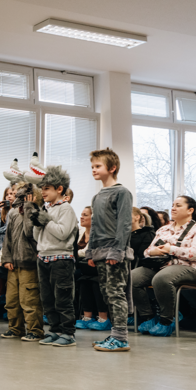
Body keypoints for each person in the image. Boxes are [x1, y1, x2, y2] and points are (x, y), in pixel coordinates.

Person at [24, 166, 79, 347]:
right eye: (42, 188)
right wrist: (37, 223)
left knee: (62, 297)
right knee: (47, 299)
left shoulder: (66, 209)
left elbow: (62, 233)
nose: (43, 192)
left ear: (59, 189)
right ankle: (55, 330)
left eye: (47, 188)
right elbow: (36, 236)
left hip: (61, 259)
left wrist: (46, 221)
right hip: (43, 257)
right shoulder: (45, 208)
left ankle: (68, 333)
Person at [86, 149, 134, 352]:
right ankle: (115, 334)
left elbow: (124, 224)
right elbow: (95, 226)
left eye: (98, 166)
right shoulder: (97, 197)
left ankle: (121, 338)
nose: (93, 170)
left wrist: (117, 251)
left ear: (112, 168)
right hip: (100, 253)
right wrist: (90, 251)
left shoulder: (122, 193)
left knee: (116, 294)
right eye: (92, 167)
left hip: (115, 253)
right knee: (107, 294)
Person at [133, 196, 196, 337]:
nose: (173, 208)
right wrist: (153, 252)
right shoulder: (163, 229)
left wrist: (170, 249)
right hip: (160, 265)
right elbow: (147, 251)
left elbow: (194, 253)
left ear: (190, 210)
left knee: (162, 278)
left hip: (188, 267)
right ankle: (148, 317)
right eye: (173, 205)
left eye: (178, 205)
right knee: (133, 277)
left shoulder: (194, 228)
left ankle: (167, 319)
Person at [0, 182, 43, 341]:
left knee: (29, 300)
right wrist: (6, 258)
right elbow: (8, 238)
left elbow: (30, 233)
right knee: (11, 300)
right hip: (13, 264)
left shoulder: (37, 212)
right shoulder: (12, 213)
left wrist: (29, 209)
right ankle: (15, 328)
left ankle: (35, 330)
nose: (17, 198)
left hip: (29, 264)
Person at [75, 206, 111, 331]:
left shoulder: (99, 233)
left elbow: (87, 252)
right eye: (81, 214)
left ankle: (103, 318)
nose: (81, 217)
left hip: (98, 267)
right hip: (83, 266)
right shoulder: (80, 232)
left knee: (95, 281)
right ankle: (87, 317)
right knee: (83, 280)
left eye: (85, 215)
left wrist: (73, 253)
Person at [0, 186, 16, 252]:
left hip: (10, 242)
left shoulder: (16, 211)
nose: (9, 196)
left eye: (11, 194)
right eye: (7, 194)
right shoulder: (3, 212)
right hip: (0, 243)